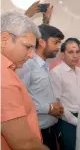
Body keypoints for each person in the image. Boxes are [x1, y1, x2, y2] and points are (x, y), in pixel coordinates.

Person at [1, 12, 49, 150]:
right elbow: (25, 144)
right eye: (27, 47)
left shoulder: (9, 70)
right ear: (4, 39)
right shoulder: (4, 78)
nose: (31, 55)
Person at [17, 24, 65, 150]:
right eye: (56, 42)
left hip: (51, 128)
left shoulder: (44, 65)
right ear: (42, 42)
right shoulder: (27, 66)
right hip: (38, 131)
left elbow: (38, 94)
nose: (58, 47)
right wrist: (48, 108)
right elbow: (19, 101)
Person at [50, 38, 80, 150]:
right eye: (71, 52)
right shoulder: (56, 72)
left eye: (77, 52)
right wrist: (75, 121)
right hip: (67, 120)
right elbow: (57, 104)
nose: (75, 55)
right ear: (63, 54)